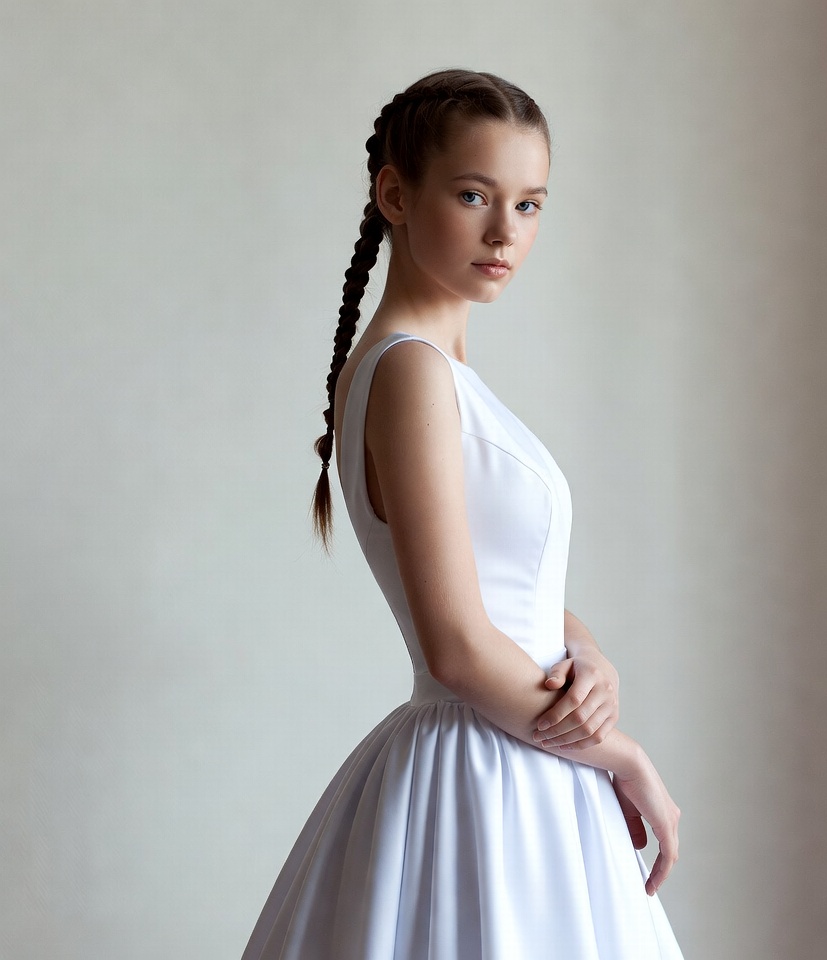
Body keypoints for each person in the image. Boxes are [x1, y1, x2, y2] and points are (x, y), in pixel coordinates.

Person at [242, 69, 683, 960]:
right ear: (395, 194)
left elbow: (501, 580)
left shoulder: (434, 372)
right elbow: (453, 641)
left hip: (520, 757)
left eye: (529, 205)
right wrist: (626, 757)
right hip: (490, 772)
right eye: (474, 194)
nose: (504, 233)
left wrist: (586, 651)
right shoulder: (409, 372)